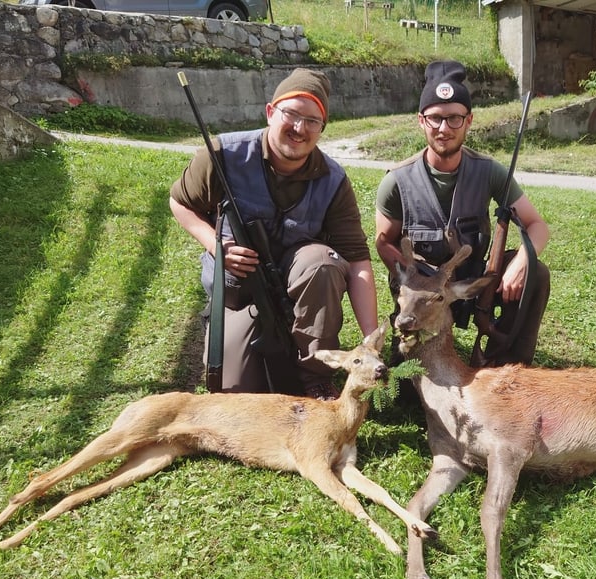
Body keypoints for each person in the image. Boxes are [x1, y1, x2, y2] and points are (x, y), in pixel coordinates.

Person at [170, 68, 378, 399]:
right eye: (291, 114)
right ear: (270, 112)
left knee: (322, 263)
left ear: (322, 129)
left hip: (301, 292)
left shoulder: (334, 181)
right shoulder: (222, 154)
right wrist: (215, 246)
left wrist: (371, 338)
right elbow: (180, 202)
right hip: (239, 294)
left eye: (312, 121)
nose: (299, 128)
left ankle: (315, 376)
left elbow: (357, 262)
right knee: (232, 394)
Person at [375, 60, 551, 367]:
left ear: (469, 121)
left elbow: (537, 226)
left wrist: (521, 263)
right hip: (422, 294)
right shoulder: (397, 181)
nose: (444, 129)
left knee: (537, 273)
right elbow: (383, 242)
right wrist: (417, 276)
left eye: (454, 119)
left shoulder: (489, 172)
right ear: (421, 121)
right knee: (406, 388)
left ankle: (506, 366)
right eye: (436, 119)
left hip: (471, 284)